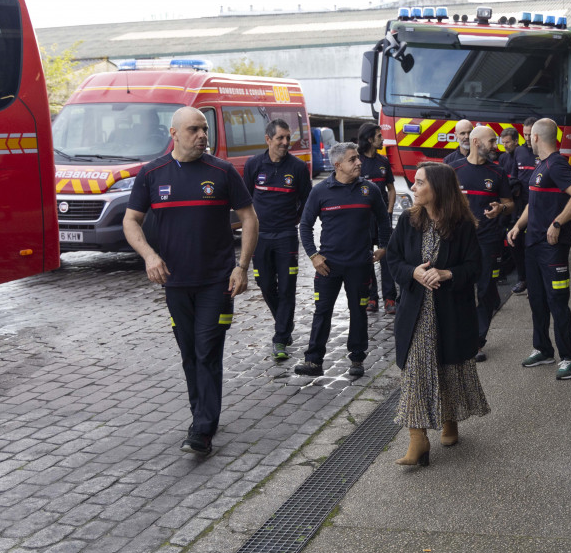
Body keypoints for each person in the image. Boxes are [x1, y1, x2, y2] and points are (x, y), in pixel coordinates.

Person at [123, 106, 259, 456]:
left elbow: (249, 218)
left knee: (207, 350)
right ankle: (201, 414)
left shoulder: (223, 171)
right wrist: (150, 256)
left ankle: (202, 428)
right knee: (189, 354)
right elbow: (131, 221)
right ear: (174, 134)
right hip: (176, 283)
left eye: (204, 130)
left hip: (217, 281)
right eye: (194, 130)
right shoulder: (152, 174)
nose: (202, 136)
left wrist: (241, 266)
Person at [387, 162, 490, 467]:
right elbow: (393, 258)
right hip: (415, 313)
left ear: (438, 189)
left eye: (420, 183)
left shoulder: (462, 225)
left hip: (451, 314)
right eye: (414, 182)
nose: (414, 188)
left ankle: (450, 419)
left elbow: (474, 268)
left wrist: (446, 274)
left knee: (448, 370)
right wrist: (413, 273)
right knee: (416, 372)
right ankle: (417, 439)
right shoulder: (408, 220)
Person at [295, 142, 392, 378]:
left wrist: (383, 247)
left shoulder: (369, 190)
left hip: (360, 265)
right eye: (353, 159)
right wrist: (313, 255)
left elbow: (383, 220)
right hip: (328, 266)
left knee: (358, 312)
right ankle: (313, 361)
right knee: (322, 312)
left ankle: (357, 359)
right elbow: (305, 226)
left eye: (358, 158)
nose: (359, 162)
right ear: (337, 165)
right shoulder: (320, 191)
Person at [507, 118, 571, 380]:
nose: (527, 139)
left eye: (529, 135)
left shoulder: (557, 165)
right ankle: (543, 349)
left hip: (552, 248)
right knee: (538, 301)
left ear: (537, 138)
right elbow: (534, 202)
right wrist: (518, 226)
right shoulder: (541, 166)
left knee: (557, 302)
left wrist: (557, 223)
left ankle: (570, 358)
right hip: (533, 244)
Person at [243, 118, 312, 361]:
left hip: (286, 237)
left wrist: (296, 221)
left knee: (287, 288)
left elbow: (308, 202)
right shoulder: (253, 165)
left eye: (287, 138)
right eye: (280, 138)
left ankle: (280, 337)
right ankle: (285, 322)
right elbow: (245, 201)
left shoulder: (298, 168)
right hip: (259, 238)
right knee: (265, 285)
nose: (285, 142)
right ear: (268, 139)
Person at [449, 125, 513, 362]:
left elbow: (509, 203)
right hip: (458, 241)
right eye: (491, 141)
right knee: (459, 288)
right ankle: (457, 336)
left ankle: (477, 341)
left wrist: (502, 208)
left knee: (485, 290)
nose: (495, 146)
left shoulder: (497, 172)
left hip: (488, 240)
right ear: (476, 142)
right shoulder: (453, 169)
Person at [357, 122, 398, 314]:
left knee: (386, 257)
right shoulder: (356, 162)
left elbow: (391, 189)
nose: (383, 139)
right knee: (366, 258)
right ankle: (371, 297)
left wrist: (388, 211)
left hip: (382, 220)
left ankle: (390, 298)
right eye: (379, 137)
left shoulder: (383, 162)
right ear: (369, 139)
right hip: (363, 220)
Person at [510, 117, 541, 294]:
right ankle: (523, 279)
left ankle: (535, 282)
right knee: (516, 242)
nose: (527, 138)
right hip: (520, 205)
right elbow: (513, 175)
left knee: (534, 246)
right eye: (525, 134)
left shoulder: (542, 152)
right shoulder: (519, 152)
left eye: (530, 134)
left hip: (537, 206)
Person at [499, 126, 528, 294]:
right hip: (509, 205)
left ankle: (527, 278)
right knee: (511, 241)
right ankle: (518, 275)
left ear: (516, 141)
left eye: (507, 142)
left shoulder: (522, 154)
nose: (505, 146)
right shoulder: (503, 158)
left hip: (524, 204)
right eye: (503, 143)